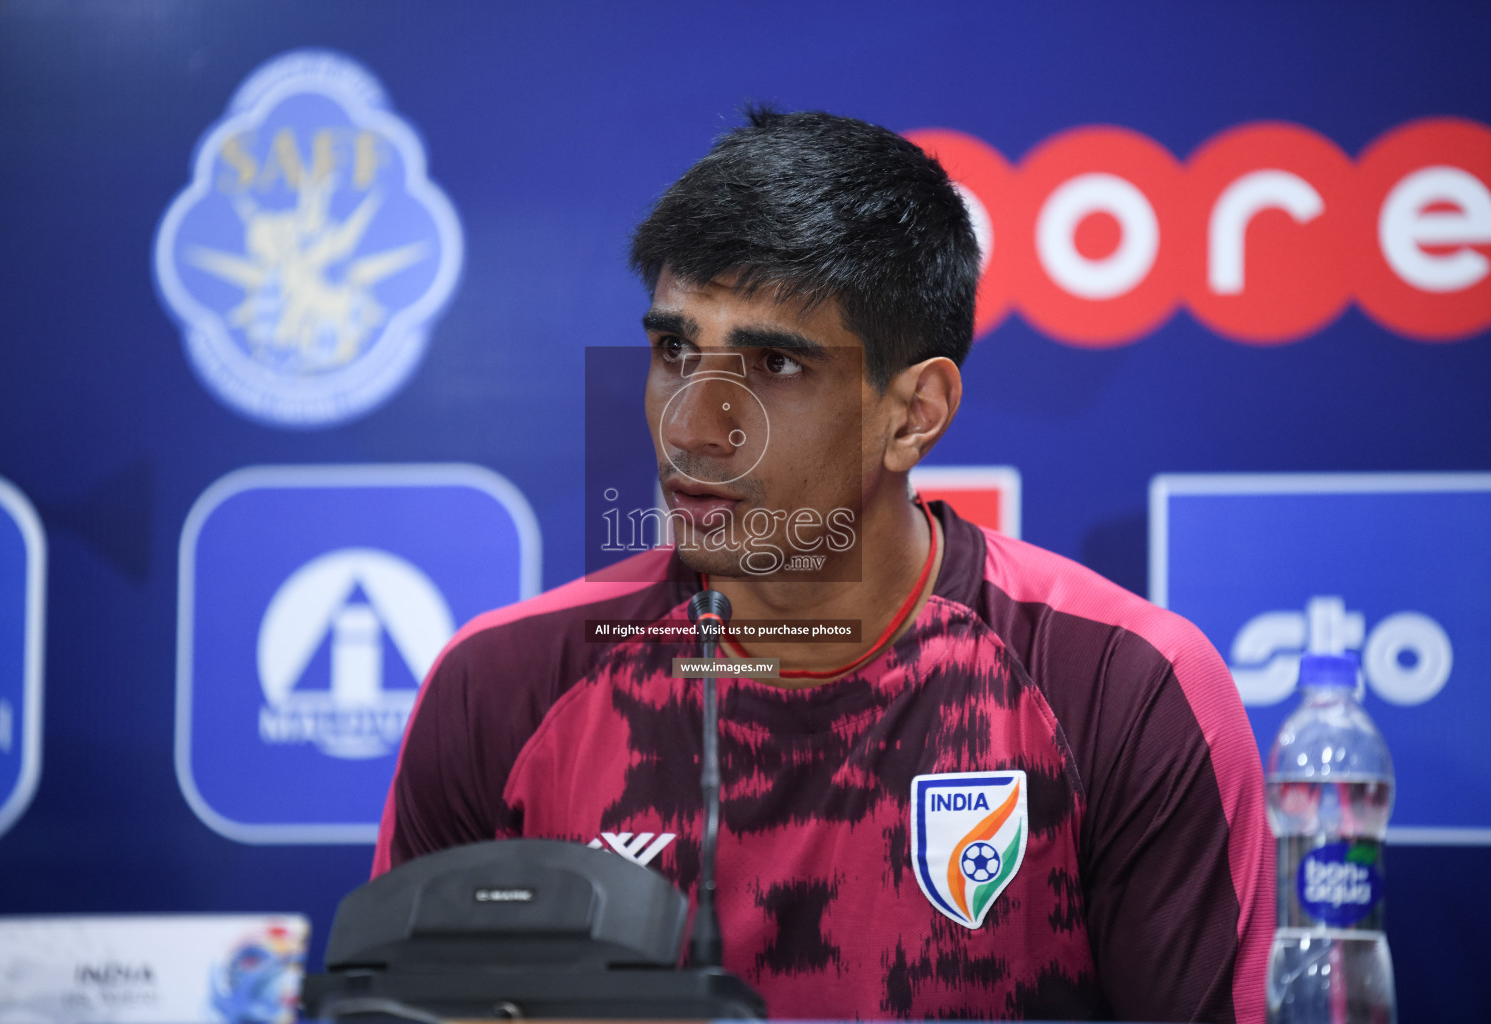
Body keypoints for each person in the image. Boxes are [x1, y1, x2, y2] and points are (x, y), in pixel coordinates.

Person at [374, 108, 1272, 1022]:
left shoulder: (1118, 688)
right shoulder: (505, 688)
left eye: (773, 365)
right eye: (674, 350)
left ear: (914, 413)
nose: (690, 426)